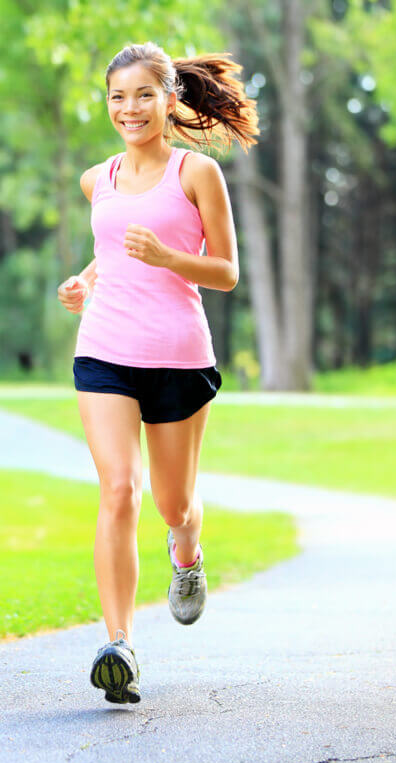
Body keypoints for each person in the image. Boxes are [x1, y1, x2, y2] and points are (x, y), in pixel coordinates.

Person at [56, 41, 258, 704]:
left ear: (170, 100)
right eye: (118, 97)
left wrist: (172, 257)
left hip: (178, 357)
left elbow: (225, 272)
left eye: (143, 94)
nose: (129, 108)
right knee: (119, 490)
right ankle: (120, 645)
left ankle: (188, 550)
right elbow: (110, 252)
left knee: (172, 505)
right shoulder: (99, 179)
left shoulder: (196, 175)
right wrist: (84, 281)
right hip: (105, 349)